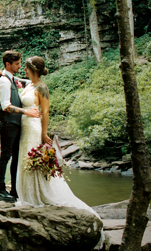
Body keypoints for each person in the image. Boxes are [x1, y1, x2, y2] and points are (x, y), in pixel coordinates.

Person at [13, 56, 99, 217]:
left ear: (33, 70)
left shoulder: (42, 88)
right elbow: (13, 77)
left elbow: (45, 112)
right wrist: (0, 73)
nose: (23, 71)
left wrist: (44, 133)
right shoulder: (29, 84)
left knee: (32, 158)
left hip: (33, 127)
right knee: (24, 157)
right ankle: (25, 193)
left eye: (26, 68)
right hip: (24, 127)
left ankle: (37, 195)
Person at [0, 51, 40, 202]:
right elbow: (6, 106)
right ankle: (0, 189)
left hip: (15, 123)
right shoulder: (3, 82)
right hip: (7, 123)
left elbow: (26, 82)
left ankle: (14, 190)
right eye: (17, 64)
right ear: (8, 64)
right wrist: (26, 111)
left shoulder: (11, 78)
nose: (20, 66)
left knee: (15, 157)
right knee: (6, 155)